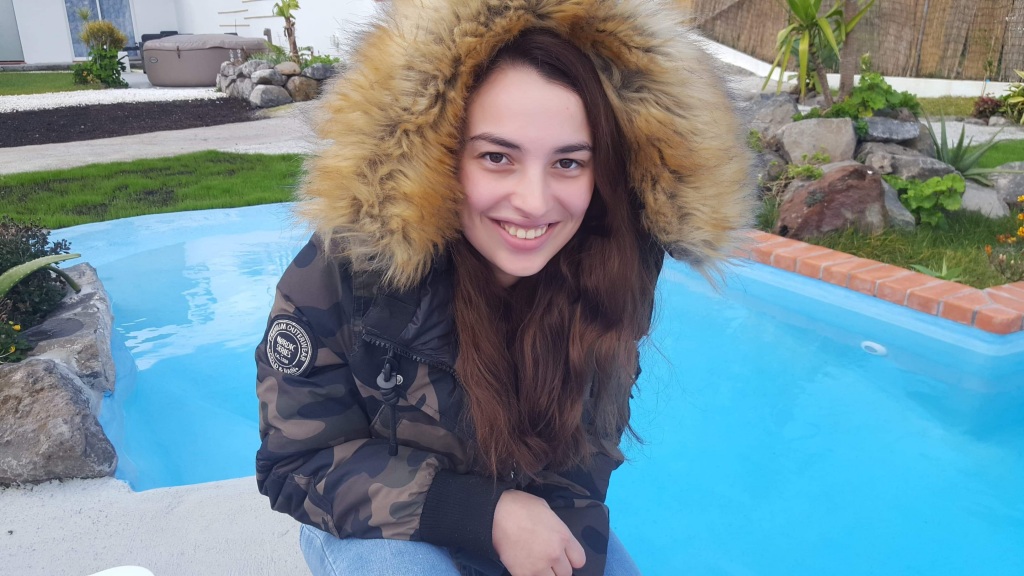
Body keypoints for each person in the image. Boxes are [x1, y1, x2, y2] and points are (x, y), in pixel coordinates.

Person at [255, 1, 753, 575]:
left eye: (568, 163)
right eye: (497, 157)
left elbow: (581, 469)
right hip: (379, 525)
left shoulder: (611, 265)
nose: (534, 202)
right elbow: (295, 464)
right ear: (441, 158)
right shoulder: (346, 270)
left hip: (532, 518)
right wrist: (483, 513)